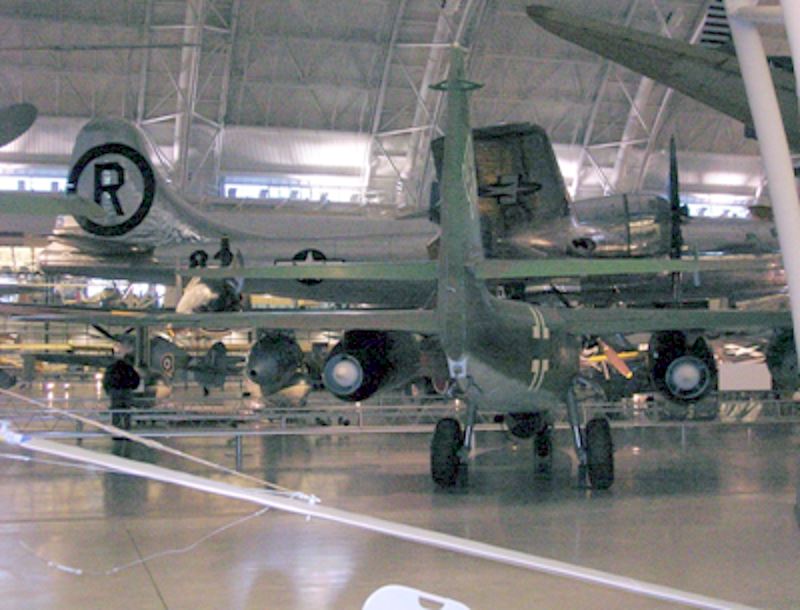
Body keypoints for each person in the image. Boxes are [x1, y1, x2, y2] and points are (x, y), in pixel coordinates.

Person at [102, 354, 141, 432]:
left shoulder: (112, 368)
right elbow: (136, 379)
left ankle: (116, 429)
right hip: (126, 390)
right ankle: (127, 429)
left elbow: (106, 380)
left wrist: (108, 390)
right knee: (127, 410)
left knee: (116, 411)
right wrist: (132, 387)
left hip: (115, 391)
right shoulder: (129, 368)